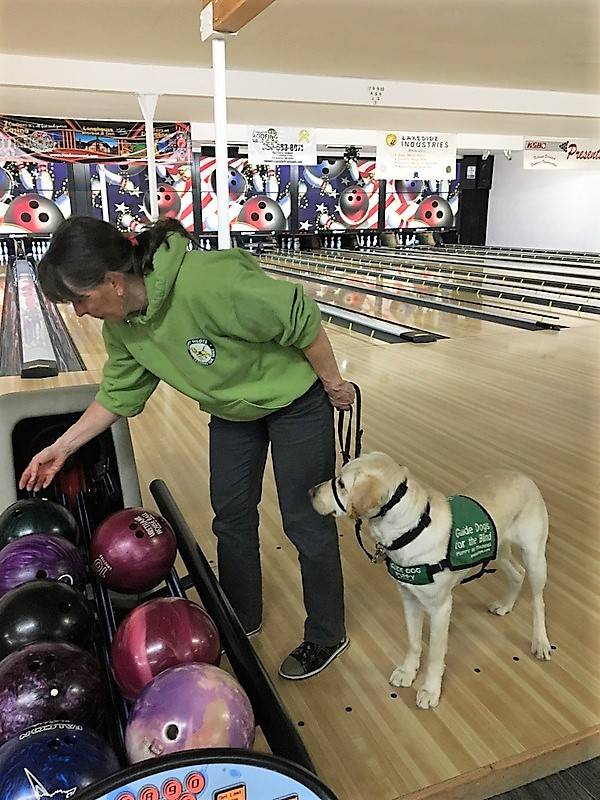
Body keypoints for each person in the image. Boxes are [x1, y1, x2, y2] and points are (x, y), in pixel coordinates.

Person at [20, 215, 355, 680]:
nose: (79, 312)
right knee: (231, 515)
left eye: (80, 299)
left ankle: (326, 633)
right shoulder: (124, 327)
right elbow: (119, 395)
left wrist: (334, 384)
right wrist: (62, 446)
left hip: (296, 402)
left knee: (306, 521)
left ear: (114, 281)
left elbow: (300, 320)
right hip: (233, 413)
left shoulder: (207, 281)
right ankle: (242, 613)